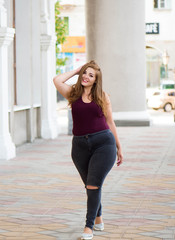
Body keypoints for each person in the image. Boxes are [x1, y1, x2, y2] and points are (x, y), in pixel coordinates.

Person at [53, 60, 123, 240]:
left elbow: (110, 122)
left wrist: (118, 146)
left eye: (91, 75)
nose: (86, 77)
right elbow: (57, 80)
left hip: (103, 144)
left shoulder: (103, 96)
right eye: (85, 73)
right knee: (90, 186)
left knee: (93, 184)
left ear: (96, 80)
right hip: (79, 147)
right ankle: (98, 218)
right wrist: (76, 70)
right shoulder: (72, 94)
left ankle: (88, 227)